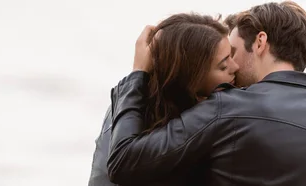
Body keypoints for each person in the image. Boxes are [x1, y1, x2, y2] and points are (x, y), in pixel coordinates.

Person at [107, 1, 306, 186]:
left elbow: (125, 161)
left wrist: (138, 75)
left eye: (233, 52)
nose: (233, 67)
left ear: (260, 42)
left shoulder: (225, 108)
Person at [88, 13, 238, 186]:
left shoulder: (125, 104)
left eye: (232, 56)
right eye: (224, 65)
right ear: (191, 79)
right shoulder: (191, 129)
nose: (236, 67)